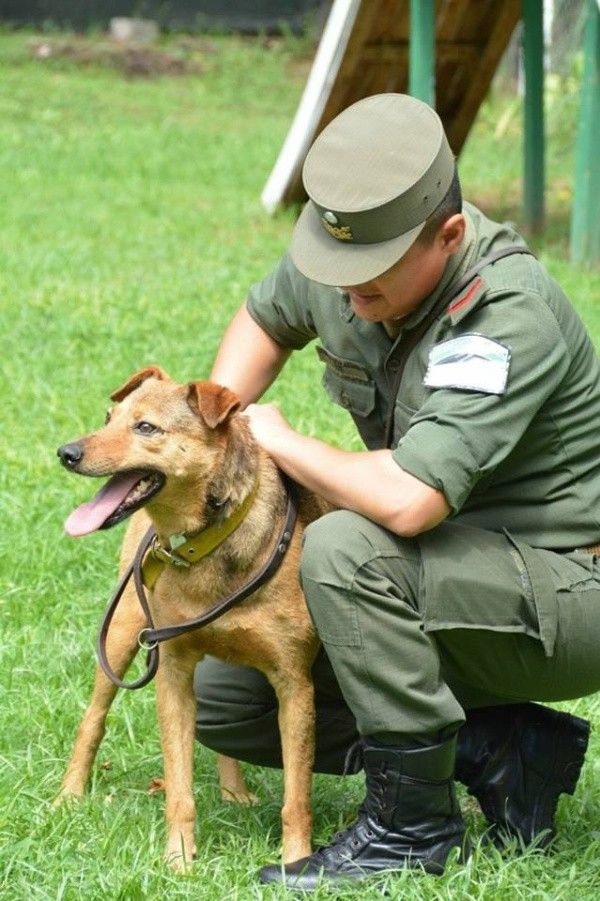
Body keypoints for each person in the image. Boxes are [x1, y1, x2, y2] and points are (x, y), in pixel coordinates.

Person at [194, 93, 600, 889]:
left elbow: (411, 499)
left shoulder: (505, 314)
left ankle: (414, 827)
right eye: (337, 275)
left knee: (345, 549)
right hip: (443, 574)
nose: (346, 299)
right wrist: (215, 440)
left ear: (446, 236)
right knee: (228, 700)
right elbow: (266, 316)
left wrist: (279, 441)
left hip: (563, 589)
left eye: (368, 287)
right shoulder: (357, 254)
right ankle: (500, 747)